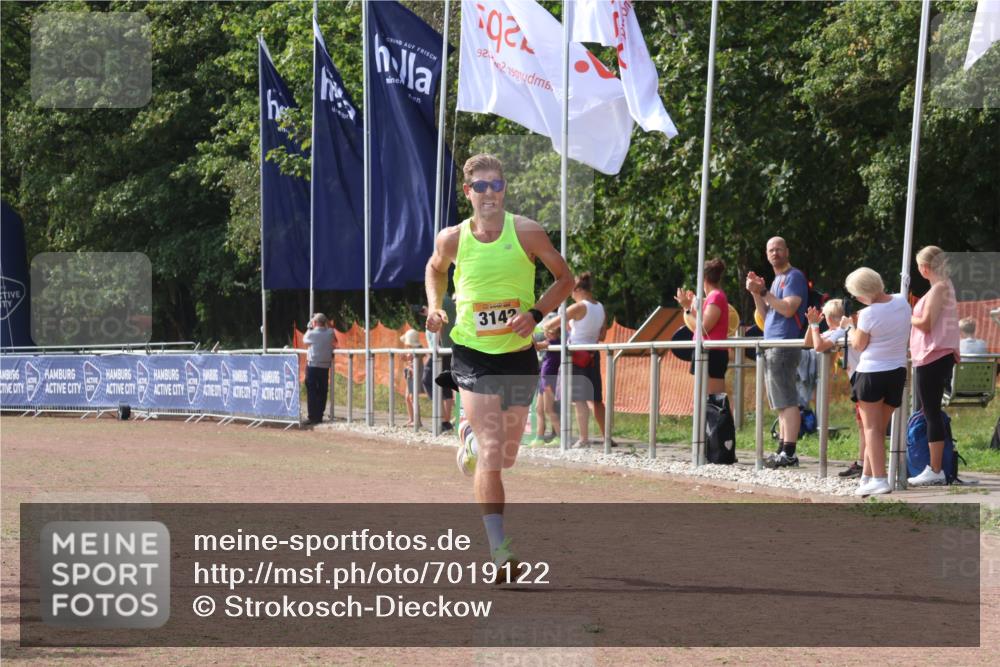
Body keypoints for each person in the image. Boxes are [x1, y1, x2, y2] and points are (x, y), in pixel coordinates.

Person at [425, 153, 573, 580]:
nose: (490, 193)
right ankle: (499, 551)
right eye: (481, 186)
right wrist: (436, 309)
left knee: (505, 454)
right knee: (493, 450)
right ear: (468, 192)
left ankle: (468, 439)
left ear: (504, 188)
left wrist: (536, 313)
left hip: (518, 353)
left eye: (497, 184)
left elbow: (565, 278)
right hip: (471, 352)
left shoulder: (527, 232)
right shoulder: (451, 239)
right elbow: (435, 270)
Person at [845, 267, 911, 496]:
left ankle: (880, 479)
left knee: (871, 429)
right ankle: (868, 476)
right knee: (878, 428)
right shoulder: (903, 302)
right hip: (897, 371)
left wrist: (851, 327)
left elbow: (858, 344)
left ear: (863, 293)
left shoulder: (868, 314)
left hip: (872, 372)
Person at [746, 237, 808, 468]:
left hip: (784, 343)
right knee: (780, 402)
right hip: (772, 343)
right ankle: (782, 448)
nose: (775, 253)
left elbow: (789, 308)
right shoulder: (775, 281)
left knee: (787, 399)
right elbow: (764, 314)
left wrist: (765, 292)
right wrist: (756, 292)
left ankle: (789, 452)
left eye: (779, 249)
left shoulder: (794, 277)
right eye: (771, 250)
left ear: (787, 251)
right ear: (766, 254)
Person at [908, 246, 961, 486]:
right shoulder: (943, 286)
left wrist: (908, 314)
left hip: (933, 354)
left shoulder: (939, 288)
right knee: (929, 411)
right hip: (933, 354)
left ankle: (935, 468)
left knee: (930, 412)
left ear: (924, 267)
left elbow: (927, 323)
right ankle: (935, 466)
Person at [806, 299, 864, 478]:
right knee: (863, 423)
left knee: (865, 425)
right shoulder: (839, 330)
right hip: (859, 376)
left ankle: (864, 464)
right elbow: (808, 342)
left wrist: (815, 325)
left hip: (861, 376)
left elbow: (819, 346)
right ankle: (863, 463)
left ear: (830, 318)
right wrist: (812, 325)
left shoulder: (841, 330)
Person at [562, 272, 612, 448]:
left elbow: (553, 324)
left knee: (580, 399)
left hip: (577, 354)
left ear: (577, 290)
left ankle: (583, 438)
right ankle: (607, 436)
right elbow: (603, 335)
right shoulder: (600, 307)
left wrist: (545, 329)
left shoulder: (577, 307)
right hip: (593, 353)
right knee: (597, 399)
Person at [675, 258, 730, 397]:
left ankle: (722, 420)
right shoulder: (714, 296)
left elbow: (704, 328)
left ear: (703, 278)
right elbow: (702, 320)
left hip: (712, 353)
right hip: (707, 352)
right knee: (706, 400)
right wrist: (691, 306)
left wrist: (687, 308)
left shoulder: (716, 297)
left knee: (714, 401)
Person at [422, 294, 457, 431]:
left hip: (440, 349)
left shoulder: (438, 300)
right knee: (446, 384)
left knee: (427, 381)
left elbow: (439, 324)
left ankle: (442, 418)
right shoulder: (449, 302)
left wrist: (436, 346)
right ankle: (446, 421)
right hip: (450, 348)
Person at [527, 314, 560, 447]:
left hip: (548, 379)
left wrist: (529, 335)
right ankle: (539, 437)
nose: (545, 334)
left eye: (547, 332)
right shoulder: (551, 341)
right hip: (544, 378)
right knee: (539, 408)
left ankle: (560, 436)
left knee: (548, 409)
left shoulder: (554, 342)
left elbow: (536, 346)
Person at [303, 313, 334, 424]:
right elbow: (330, 329)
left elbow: (304, 340)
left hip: (313, 365)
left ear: (315, 323)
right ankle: (319, 415)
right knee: (322, 390)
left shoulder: (312, 333)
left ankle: (312, 416)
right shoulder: (330, 333)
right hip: (325, 366)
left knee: (311, 390)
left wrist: (309, 327)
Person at [401, 329, 422, 428]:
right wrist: (405, 359)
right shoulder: (410, 350)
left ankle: (417, 420)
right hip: (410, 374)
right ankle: (411, 418)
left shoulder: (418, 350)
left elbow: (417, 364)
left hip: (415, 375)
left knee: (413, 397)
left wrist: (409, 360)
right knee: (407, 397)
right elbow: (408, 360)